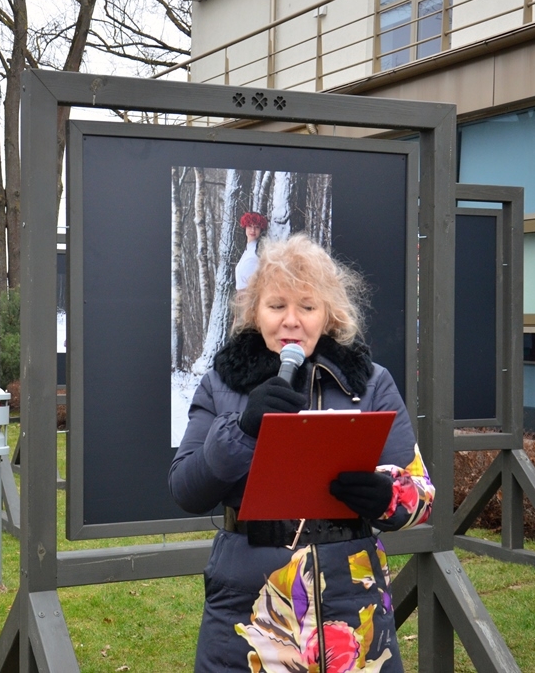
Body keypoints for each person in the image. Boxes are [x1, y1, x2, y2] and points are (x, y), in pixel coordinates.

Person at [169, 234, 434, 673]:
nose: (291, 321)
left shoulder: (370, 383)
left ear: (328, 315)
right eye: (276, 306)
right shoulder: (222, 383)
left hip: (352, 603)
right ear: (254, 312)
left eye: (307, 307)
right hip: (249, 605)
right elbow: (185, 489)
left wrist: (387, 495)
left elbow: (422, 495)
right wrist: (241, 429)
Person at [235, 211, 268, 291]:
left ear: (260, 230)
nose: (253, 230)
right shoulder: (247, 249)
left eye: (256, 227)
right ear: (245, 227)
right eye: (250, 226)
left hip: (252, 294)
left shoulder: (260, 249)